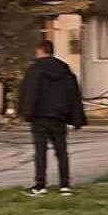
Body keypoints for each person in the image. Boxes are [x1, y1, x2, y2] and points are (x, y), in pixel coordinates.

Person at [18, 40, 86, 197]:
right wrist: (76, 118)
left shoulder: (34, 70)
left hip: (40, 117)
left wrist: (26, 113)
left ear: (40, 51)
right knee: (61, 151)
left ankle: (40, 186)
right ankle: (65, 186)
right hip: (59, 117)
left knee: (40, 152)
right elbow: (73, 94)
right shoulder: (65, 70)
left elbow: (30, 93)